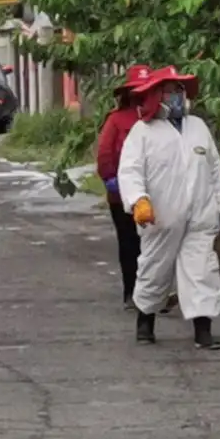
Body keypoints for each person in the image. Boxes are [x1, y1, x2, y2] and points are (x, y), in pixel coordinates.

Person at [118, 66, 220, 350]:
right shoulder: (142, 132)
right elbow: (130, 171)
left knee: (202, 272)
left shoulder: (198, 127)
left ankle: (203, 331)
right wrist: (139, 200)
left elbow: (214, 170)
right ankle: (145, 322)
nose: (176, 97)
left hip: (200, 218)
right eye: (169, 91)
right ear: (156, 96)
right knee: (154, 270)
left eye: (178, 91)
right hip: (160, 218)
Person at [96, 65, 147, 309]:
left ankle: (153, 292)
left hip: (155, 194)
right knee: (129, 244)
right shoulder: (116, 120)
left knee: (154, 246)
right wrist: (110, 179)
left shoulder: (159, 121)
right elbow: (105, 153)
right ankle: (131, 292)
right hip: (122, 195)